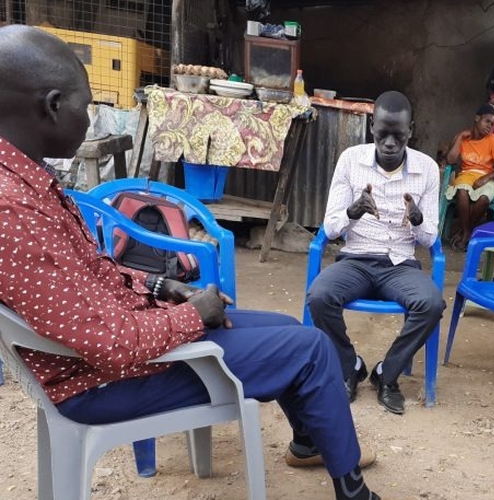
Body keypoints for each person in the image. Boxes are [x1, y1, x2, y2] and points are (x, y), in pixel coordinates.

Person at [0, 26, 381, 500]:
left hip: (112, 354)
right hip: (103, 382)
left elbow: (94, 275)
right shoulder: (13, 208)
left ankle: (308, 442)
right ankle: (354, 490)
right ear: (52, 105)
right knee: (310, 349)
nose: (89, 114)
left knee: (284, 328)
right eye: (87, 103)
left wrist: (162, 288)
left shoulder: (23, 184)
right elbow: (110, 344)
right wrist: (193, 314)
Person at [305, 91, 444, 416]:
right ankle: (349, 365)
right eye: (383, 133)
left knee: (432, 304)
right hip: (356, 260)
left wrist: (417, 219)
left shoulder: (427, 169)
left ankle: (387, 374)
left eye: (399, 134)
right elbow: (330, 227)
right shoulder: (351, 160)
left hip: (400, 265)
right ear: (372, 126)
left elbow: (429, 238)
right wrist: (353, 211)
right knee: (320, 296)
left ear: (411, 130)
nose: (391, 142)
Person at [444, 103, 494, 251]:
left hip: (486, 176)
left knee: (484, 199)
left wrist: (487, 178)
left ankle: (465, 232)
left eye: (492, 124)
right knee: (462, 192)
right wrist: (461, 137)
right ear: (477, 119)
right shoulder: (463, 137)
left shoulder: (493, 140)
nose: (489, 126)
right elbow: (450, 160)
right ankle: (467, 233)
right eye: (487, 121)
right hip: (466, 175)